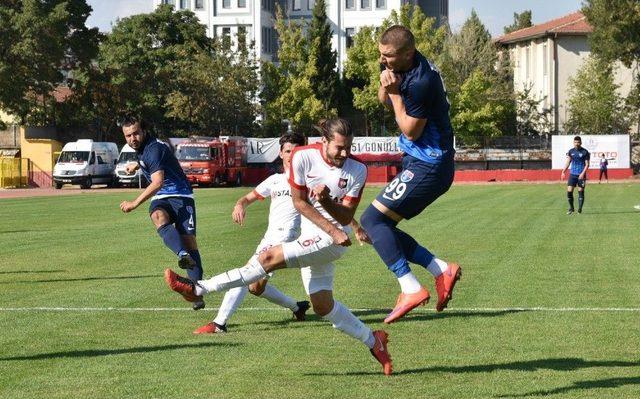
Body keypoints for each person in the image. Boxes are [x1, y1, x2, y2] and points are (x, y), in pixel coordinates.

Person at [164, 118, 393, 375]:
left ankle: (198, 288)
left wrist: (329, 209)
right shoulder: (302, 157)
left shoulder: (357, 169)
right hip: (317, 235)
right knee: (322, 305)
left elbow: (343, 216)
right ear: (324, 142)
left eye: (348, 147)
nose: (344, 153)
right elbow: (300, 203)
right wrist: (328, 223)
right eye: (339, 147)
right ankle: (374, 341)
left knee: (266, 259)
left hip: (332, 240)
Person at [358, 25, 460, 324]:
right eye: (381, 55)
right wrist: (387, 85)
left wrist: (395, 94)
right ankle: (441, 269)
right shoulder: (400, 63)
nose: (383, 60)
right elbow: (383, 99)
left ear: (408, 54)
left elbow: (411, 131)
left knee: (372, 221)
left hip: (430, 165)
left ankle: (411, 287)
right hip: (421, 162)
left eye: (388, 56)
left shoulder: (421, 82)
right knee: (380, 227)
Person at [195, 133, 311, 334]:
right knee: (256, 287)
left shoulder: (309, 179)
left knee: (247, 273)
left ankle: (219, 322)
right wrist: (239, 205)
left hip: (287, 237)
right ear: (281, 154)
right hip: (270, 237)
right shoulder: (274, 180)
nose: (292, 155)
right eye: (287, 151)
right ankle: (297, 307)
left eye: (296, 150)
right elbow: (247, 198)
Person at [118, 115, 205, 310]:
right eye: (128, 135)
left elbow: (157, 182)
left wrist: (134, 203)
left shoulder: (153, 149)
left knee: (190, 243)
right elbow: (149, 165)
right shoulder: (143, 150)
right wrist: (137, 165)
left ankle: (197, 294)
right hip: (162, 199)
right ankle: (182, 254)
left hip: (182, 196)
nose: (133, 138)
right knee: (158, 216)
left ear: (144, 131)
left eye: (136, 133)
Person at [561, 136, 590, 214]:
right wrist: (563, 171)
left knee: (580, 191)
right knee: (569, 191)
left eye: (578, 142)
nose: (576, 144)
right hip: (572, 174)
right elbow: (568, 162)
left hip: (581, 175)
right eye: (575, 142)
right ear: (573, 143)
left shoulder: (585, 152)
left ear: (581, 143)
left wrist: (582, 174)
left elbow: (587, 164)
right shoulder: (571, 151)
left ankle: (580, 209)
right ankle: (571, 208)